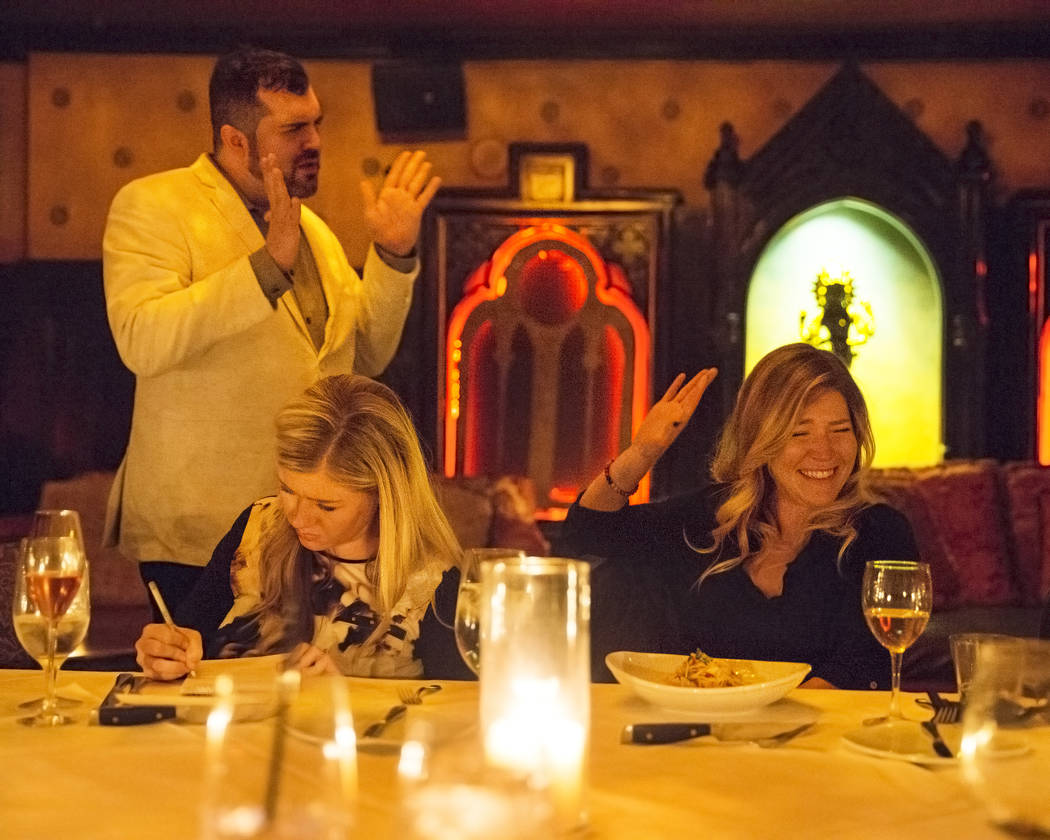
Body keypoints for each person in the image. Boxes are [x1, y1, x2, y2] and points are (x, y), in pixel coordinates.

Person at [102, 46, 441, 620]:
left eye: (316, 123)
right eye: (294, 128)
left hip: (303, 526)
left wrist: (391, 253)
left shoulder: (316, 230)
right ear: (236, 140)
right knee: (201, 692)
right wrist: (264, 269)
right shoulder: (153, 205)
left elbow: (368, 355)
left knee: (291, 695)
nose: (314, 141)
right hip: (199, 530)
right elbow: (141, 339)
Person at [557, 342, 918, 689]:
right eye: (799, 432)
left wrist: (765, 719)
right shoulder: (710, 518)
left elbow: (863, 665)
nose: (823, 451)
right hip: (702, 736)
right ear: (763, 440)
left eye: (840, 430)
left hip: (820, 740)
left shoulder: (880, 531)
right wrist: (642, 452)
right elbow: (587, 533)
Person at [134, 374, 462, 680]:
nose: (298, 518)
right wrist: (167, 652)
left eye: (326, 505)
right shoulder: (259, 527)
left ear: (384, 494)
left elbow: (457, 715)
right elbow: (189, 638)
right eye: (288, 489)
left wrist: (348, 694)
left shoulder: (434, 580)